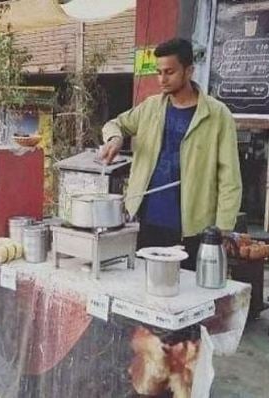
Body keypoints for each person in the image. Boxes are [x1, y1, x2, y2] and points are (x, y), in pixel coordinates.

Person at [99, 38, 242, 270]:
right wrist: (115, 138)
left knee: (186, 294)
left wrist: (223, 228)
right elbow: (115, 124)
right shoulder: (151, 107)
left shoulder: (217, 115)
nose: (162, 79)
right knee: (146, 287)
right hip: (148, 220)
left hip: (192, 227)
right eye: (158, 72)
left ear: (189, 71)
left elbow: (230, 178)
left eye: (169, 72)